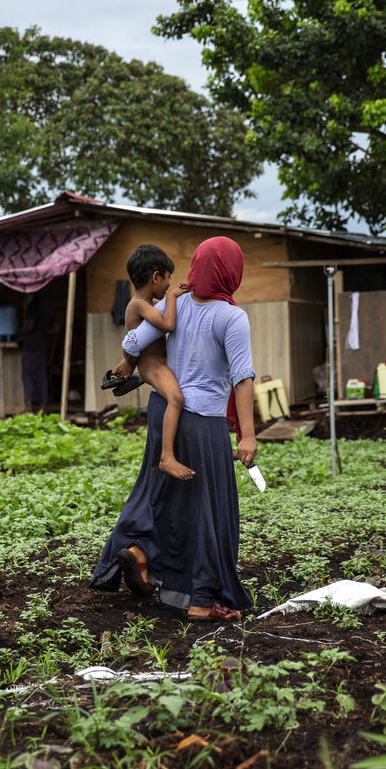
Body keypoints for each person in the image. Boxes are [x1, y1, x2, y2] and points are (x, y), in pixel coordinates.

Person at [90, 236, 257, 620]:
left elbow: (133, 339)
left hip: (163, 410)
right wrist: (247, 435)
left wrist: (128, 364)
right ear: (230, 272)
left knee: (161, 496)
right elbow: (243, 377)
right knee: (209, 513)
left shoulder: (173, 304)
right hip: (203, 423)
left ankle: (139, 552)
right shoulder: (231, 317)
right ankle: (201, 600)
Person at [101, 244, 193, 480]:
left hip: (157, 363)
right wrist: (172, 297)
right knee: (177, 399)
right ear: (156, 277)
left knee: (179, 399)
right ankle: (167, 457)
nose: (169, 284)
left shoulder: (146, 303)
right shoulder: (139, 304)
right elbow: (167, 324)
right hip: (152, 366)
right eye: (168, 278)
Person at [17, 294, 54, 413]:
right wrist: (43, 332)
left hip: (31, 347)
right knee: (41, 376)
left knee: (27, 376)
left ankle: (29, 407)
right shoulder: (47, 308)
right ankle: (43, 406)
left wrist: (19, 331)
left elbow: (30, 326)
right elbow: (56, 328)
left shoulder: (32, 306)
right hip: (42, 347)